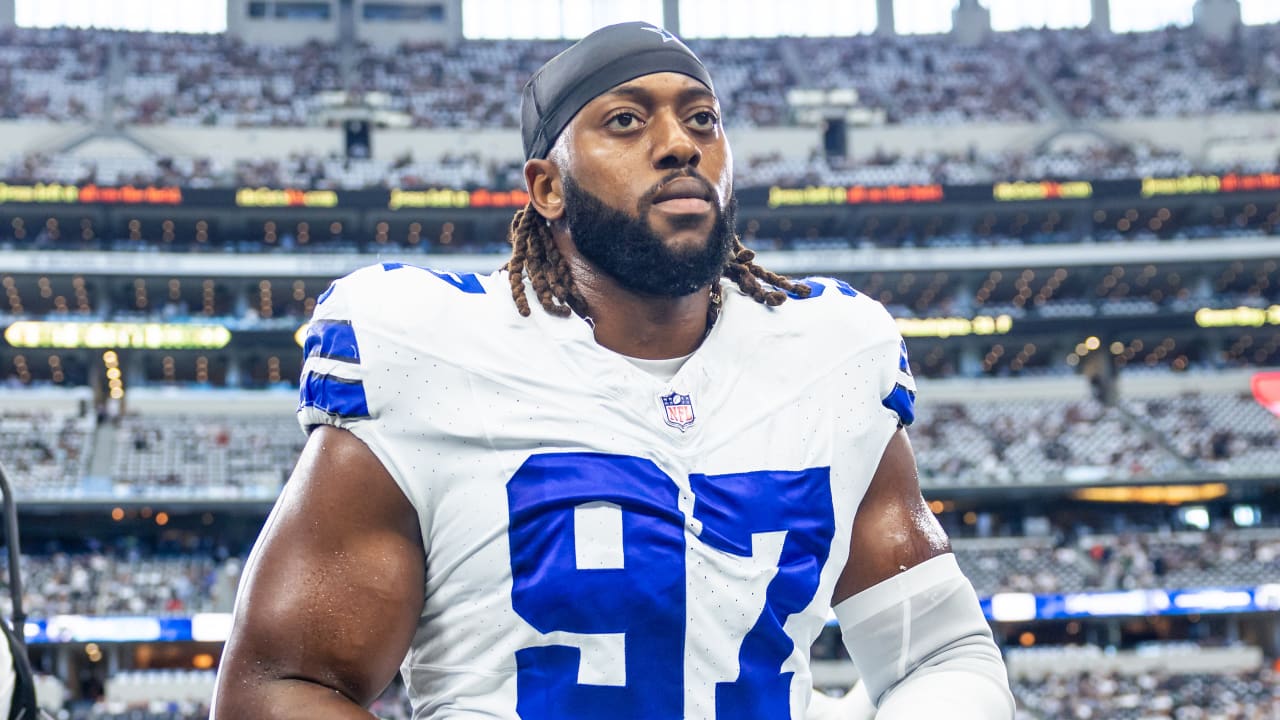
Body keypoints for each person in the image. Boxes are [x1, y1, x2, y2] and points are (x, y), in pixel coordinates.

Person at [211, 22, 1014, 720]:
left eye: (702, 118)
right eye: (626, 121)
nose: (679, 143)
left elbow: (937, 656)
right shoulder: (429, 357)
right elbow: (279, 684)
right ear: (547, 188)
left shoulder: (830, 355)